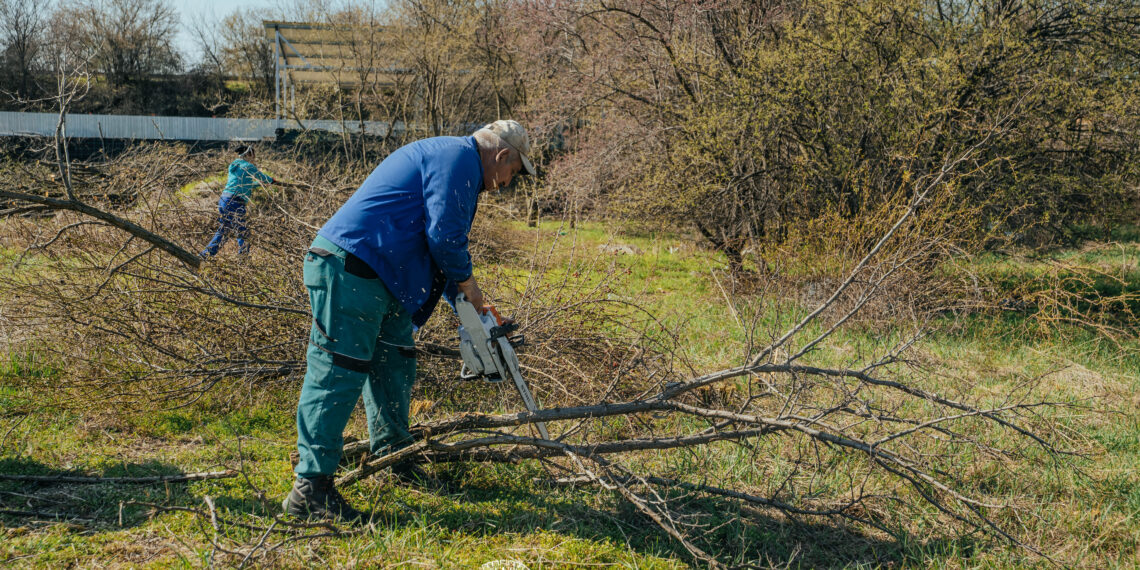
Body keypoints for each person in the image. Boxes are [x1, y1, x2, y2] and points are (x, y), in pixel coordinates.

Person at [283, 120, 536, 521]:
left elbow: (441, 255)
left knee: (396, 363)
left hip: (383, 279)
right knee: (338, 371)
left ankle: (393, 456)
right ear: (503, 155)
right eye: (514, 173)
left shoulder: (462, 169)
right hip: (352, 268)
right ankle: (310, 490)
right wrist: (472, 292)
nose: (509, 182)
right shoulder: (457, 159)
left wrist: (475, 317)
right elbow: (445, 239)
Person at [200, 144, 291, 258]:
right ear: (247, 154)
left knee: (224, 230)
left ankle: (206, 255)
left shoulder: (234, 165)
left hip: (224, 200)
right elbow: (261, 176)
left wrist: (260, 184)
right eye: (253, 155)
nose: (254, 157)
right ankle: (243, 257)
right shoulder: (248, 166)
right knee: (242, 231)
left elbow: (244, 185)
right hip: (235, 202)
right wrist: (271, 180)